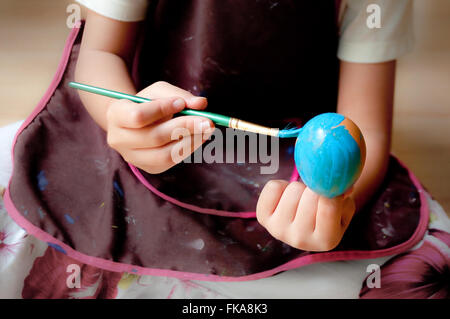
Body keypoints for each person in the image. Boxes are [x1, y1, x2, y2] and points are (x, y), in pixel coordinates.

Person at [74, 0, 413, 251]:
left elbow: (366, 130)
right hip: (144, 141)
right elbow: (102, 55)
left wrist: (336, 203)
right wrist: (122, 116)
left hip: (288, 168)